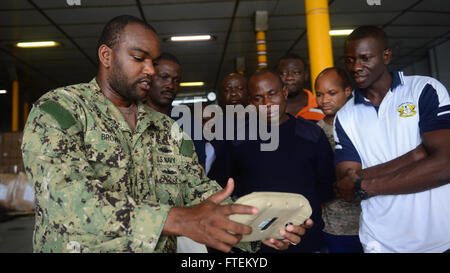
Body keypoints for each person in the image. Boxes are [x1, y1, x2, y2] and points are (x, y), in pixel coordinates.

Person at [21, 15, 310, 253]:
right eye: (139, 58)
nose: (150, 70)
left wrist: (258, 227)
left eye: (154, 62)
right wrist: (178, 220)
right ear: (106, 56)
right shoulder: (61, 110)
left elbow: (198, 189)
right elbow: (67, 198)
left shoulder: (167, 129)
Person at [335, 25, 450, 253]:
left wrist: (366, 185)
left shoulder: (424, 90)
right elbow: (347, 187)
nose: (356, 67)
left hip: (440, 239)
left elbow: (445, 165)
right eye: (349, 60)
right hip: (381, 244)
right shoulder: (345, 116)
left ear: (386, 56)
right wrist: (416, 155)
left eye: (365, 58)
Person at [217, 69, 335, 253]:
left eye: (272, 94)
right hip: (255, 245)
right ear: (250, 102)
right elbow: (220, 187)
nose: (267, 103)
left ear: (285, 92)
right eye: (258, 98)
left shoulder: (312, 134)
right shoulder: (236, 139)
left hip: (306, 240)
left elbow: (327, 187)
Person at [314, 67, 363, 253]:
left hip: (374, 220)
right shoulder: (315, 133)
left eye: (331, 93)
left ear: (347, 92)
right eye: (319, 94)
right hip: (336, 226)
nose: (324, 100)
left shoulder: (363, 124)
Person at [145, 52, 206, 169]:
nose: (171, 85)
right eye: (164, 77)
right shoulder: (131, 116)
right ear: (149, 78)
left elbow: (199, 176)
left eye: (176, 80)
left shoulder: (190, 125)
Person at [277, 54, 325, 122]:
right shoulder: (270, 109)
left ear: (305, 75)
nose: (289, 77)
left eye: (296, 73)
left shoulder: (323, 106)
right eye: (283, 73)